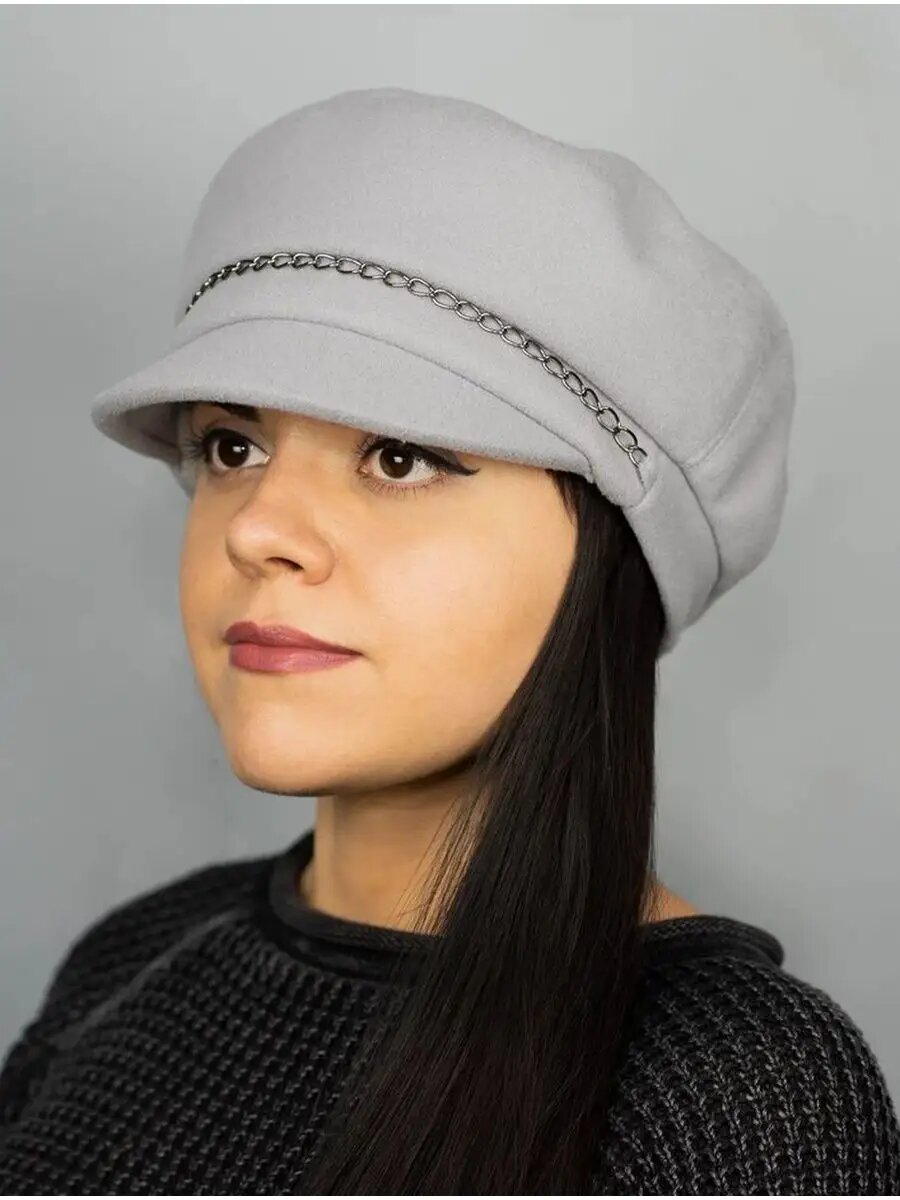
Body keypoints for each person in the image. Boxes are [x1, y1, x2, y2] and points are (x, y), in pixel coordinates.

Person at [1, 87, 897, 1195]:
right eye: (232, 446)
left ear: (611, 560)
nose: (258, 529)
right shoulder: (138, 956)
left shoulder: (735, 1091)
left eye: (399, 457)